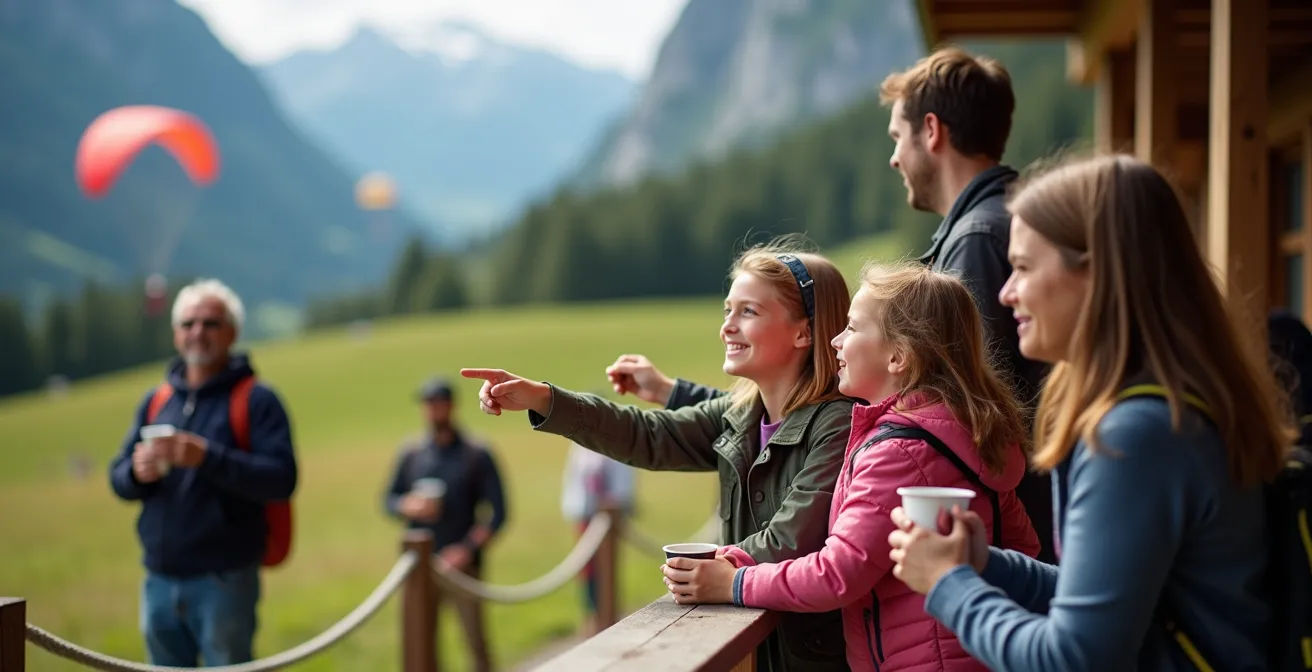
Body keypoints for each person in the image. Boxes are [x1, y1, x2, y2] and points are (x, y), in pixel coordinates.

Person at [610, 46, 1057, 563]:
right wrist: (674, 391)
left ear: (931, 131)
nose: (893, 158)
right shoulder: (1005, 223)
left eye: (896, 137)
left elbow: (956, 399)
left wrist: (733, 578)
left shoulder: (977, 240)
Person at [886, 153, 1293, 670]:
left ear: (1100, 275)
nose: (1006, 292)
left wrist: (949, 585)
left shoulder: (1135, 437)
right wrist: (984, 565)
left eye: (1025, 267)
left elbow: (1073, 656)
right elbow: (1107, 599)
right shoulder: (1171, 410)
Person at [464, 238, 856, 672]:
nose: (727, 325)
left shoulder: (838, 423)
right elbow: (646, 433)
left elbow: (788, 541)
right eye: (728, 309)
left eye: (749, 311)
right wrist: (544, 399)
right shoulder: (740, 413)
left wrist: (713, 571)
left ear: (804, 331)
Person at [660, 262, 1039, 671]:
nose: (836, 342)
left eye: (853, 329)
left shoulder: (898, 452)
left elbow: (838, 573)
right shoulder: (965, 434)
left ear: (898, 356)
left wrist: (734, 583)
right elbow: (1024, 552)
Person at [109, 279, 298, 667]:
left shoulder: (257, 400)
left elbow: (282, 479)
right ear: (176, 334)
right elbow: (118, 476)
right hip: (158, 580)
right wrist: (137, 473)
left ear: (233, 332)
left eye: (210, 323)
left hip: (224, 580)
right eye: (188, 323)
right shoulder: (157, 400)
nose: (198, 332)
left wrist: (207, 458)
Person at [384, 376, 507, 672]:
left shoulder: (475, 454)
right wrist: (406, 504)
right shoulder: (411, 453)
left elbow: (499, 513)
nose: (433, 410)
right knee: (421, 643)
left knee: (476, 642)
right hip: (420, 566)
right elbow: (388, 500)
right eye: (428, 404)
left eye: (438, 404)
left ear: (451, 406)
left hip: (464, 566)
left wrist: (465, 550)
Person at [560, 434, 636, 636]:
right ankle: (591, 616)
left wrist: (617, 505)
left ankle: (607, 618)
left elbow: (623, 482)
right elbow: (574, 480)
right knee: (587, 572)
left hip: (608, 519)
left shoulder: (615, 441)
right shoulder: (580, 446)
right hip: (586, 518)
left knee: (607, 573)